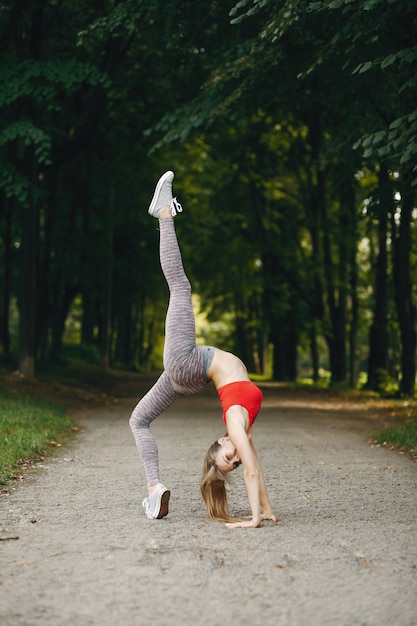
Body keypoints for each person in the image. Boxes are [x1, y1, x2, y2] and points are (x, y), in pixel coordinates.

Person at [129, 171, 277, 528]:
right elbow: (256, 470)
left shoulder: (234, 423)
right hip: (186, 375)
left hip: (187, 366)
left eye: (229, 458)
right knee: (138, 420)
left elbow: (252, 472)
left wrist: (252, 521)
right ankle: (154, 487)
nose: (237, 458)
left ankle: (164, 213)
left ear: (223, 439)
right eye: (234, 460)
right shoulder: (242, 429)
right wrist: (267, 510)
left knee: (180, 287)